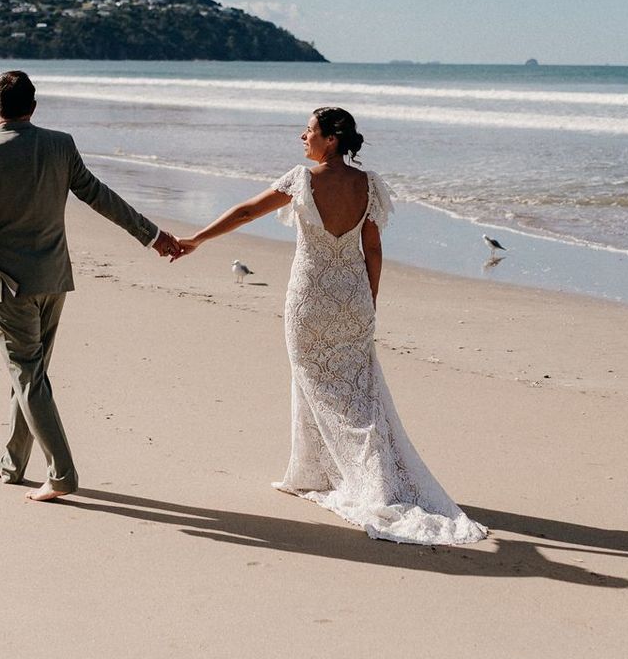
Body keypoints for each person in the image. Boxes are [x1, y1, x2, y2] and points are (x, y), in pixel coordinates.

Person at [179, 107, 488, 545]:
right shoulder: (368, 184)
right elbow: (373, 249)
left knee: (313, 382)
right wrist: (370, 301)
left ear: (329, 141)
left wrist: (197, 239)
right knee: (360, 392)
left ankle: (364, 481)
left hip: (310, 300)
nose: (301, 137)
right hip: (354, 297)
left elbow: (248, 212)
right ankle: (314, 471)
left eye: (308, 131)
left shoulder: (302, 179)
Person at [0, 69, 184, 502]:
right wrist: (151, 235)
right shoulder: (60, 145)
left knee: (27, 375)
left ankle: (61, 473)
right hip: (54, 280)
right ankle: (11, 462)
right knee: (30, 375)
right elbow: (99, 195)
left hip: (8, 287)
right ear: (33, 109)